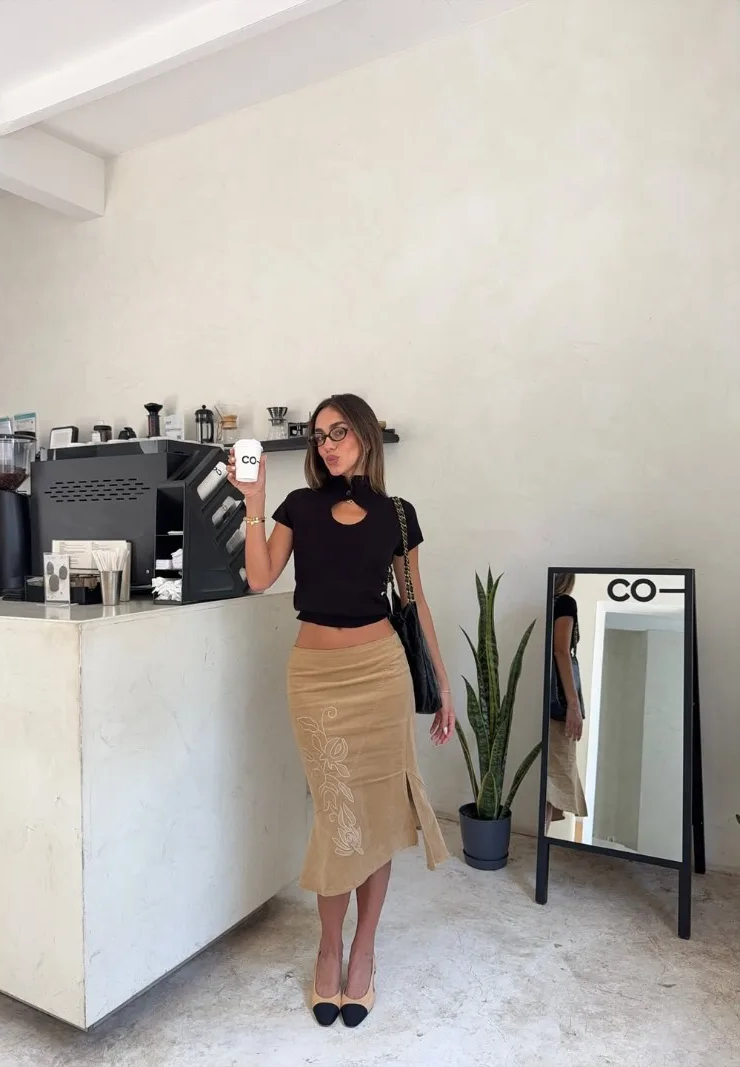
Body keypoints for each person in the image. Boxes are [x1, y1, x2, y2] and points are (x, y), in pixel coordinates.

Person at [228, 393, 453, 1028]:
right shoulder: (298, 506)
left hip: (382, 674)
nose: (327, 445)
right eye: (319, 436)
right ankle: (329, 946)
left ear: (366, 436)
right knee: (338, 818)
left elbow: (415, 602)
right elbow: (259, 577)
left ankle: (364, 951)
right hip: (317, 678)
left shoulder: (398, 516)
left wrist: (441, 684)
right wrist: (252, 501)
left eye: (339, 432)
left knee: (377, 820)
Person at [546, 572, 587, 833]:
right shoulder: (564, 602)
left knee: (551, 777)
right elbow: (561, 650)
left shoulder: (544, 603)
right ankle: (542, 840)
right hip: (558, 703)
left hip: (546, 698)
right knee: (554, 778)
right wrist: (573, 705)